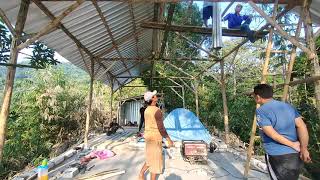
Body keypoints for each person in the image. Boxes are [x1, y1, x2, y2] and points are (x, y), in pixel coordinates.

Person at [253, 84, 311, 180]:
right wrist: (304, 149)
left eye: (254, 96)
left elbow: (272, 134)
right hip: (295, 155)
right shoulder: (288, 107)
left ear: (258, 97)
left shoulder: (261, 111)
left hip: (277, 156)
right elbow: (302, 126)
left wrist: (292, 144)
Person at [139, 90, 174, 180]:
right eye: (154, 96)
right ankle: (144, 175)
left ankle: (141, 174)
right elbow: (161, 128)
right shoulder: (157, 111)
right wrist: (169, 139)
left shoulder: (147, 110)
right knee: (155, 163)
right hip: (155, 138)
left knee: (150, 158)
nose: (156, 96)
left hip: (148, 137)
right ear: (152, 99)